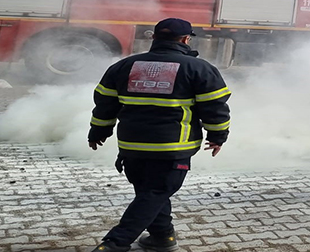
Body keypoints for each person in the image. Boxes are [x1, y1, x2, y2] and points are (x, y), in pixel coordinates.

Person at [87, 18, 232, 252]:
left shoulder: (124, 66)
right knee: (154, 193)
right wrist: (218, 136)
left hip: (131, 146)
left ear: (153, 38)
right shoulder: (199, 68)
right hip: (172, 149)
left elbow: (104, 104)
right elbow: (215, 108)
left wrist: (98, 131)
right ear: (186, 39)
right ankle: (115, 244)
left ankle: (163, 238)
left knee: (151, 192)